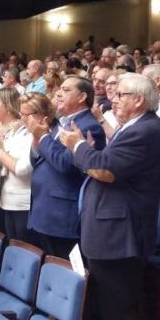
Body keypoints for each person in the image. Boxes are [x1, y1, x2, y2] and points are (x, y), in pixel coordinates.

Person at [60, 73, 160, 320]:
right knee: (109, 305)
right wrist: (90, 151)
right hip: (108, 231)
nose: (114, 99)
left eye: (121, 94)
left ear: (139, 100)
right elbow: (105, 162)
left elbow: (105, 170)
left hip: (121, 234)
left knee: (121, 308)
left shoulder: (145, 130)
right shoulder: (133, 128)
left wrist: (78, 147)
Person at [25, 76, 106, 258]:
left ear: (82, 97)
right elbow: (38, 160)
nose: (59, 93)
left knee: (66, 271)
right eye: (59, 89)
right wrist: (37, 140)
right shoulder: (61, 122)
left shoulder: (89, 127)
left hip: (62, 214)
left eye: (67, 90)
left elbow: (66, 165)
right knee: (49, 267)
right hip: (45, 208)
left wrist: (44, 137)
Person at [0, 89, 34, 242]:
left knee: (22, 245)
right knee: (7, 243)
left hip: (18, 196)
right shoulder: (1, 128)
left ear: (9, 105)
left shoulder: (20, 130)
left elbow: (18, 167)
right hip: (0, 191)